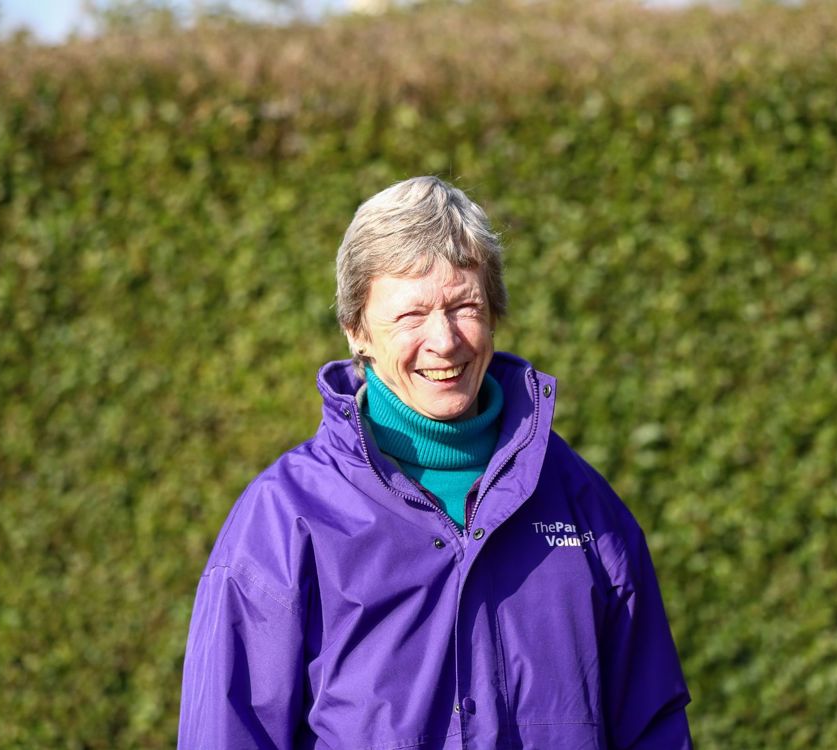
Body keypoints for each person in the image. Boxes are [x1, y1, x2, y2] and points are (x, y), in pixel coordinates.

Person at [178, 176, 692, 749]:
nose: (444, 341)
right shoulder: (283, 519)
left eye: (464, 305)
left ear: (494, 313)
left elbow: (653, 727)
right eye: (410, 315)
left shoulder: (581, 503)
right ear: (357, 331)